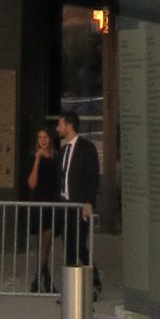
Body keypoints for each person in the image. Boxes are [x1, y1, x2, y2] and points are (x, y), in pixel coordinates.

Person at [55, 107, 101, 291]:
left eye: (60, 125)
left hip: (79, 205)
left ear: (69, 125)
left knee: (78, 245)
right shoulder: (63, 151)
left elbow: (92, 177)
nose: (58, 128)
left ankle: (91, 279)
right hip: (65, 205)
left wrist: (88, 203)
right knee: (68, 245)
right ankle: (72, 288)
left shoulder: (86, 148)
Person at [26, 123, 59, 291]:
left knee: (46, 245)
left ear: (50, 139)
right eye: (40, 137)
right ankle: (42, 281)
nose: (43, 140)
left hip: (51, 204)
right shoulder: (34, 157)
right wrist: (38, 160)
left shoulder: (56, 158)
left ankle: (40, 281)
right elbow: (31, 183)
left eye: (45, 137)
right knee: (41, 246)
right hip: (38, 204)